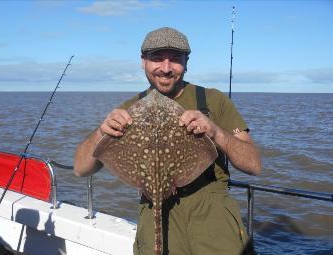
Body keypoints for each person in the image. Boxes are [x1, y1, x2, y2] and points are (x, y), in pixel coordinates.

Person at [74, 27, 262, 255]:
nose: (165, 68)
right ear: (143, 62)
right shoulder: (129, 109)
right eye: (156, 59)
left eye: (175, 60)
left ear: (186, 62)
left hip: (212, 218)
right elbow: (80, 169)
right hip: (153, 212)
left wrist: (215, 131)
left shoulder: (213, 100)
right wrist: (100, 134)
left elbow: (254, 165)